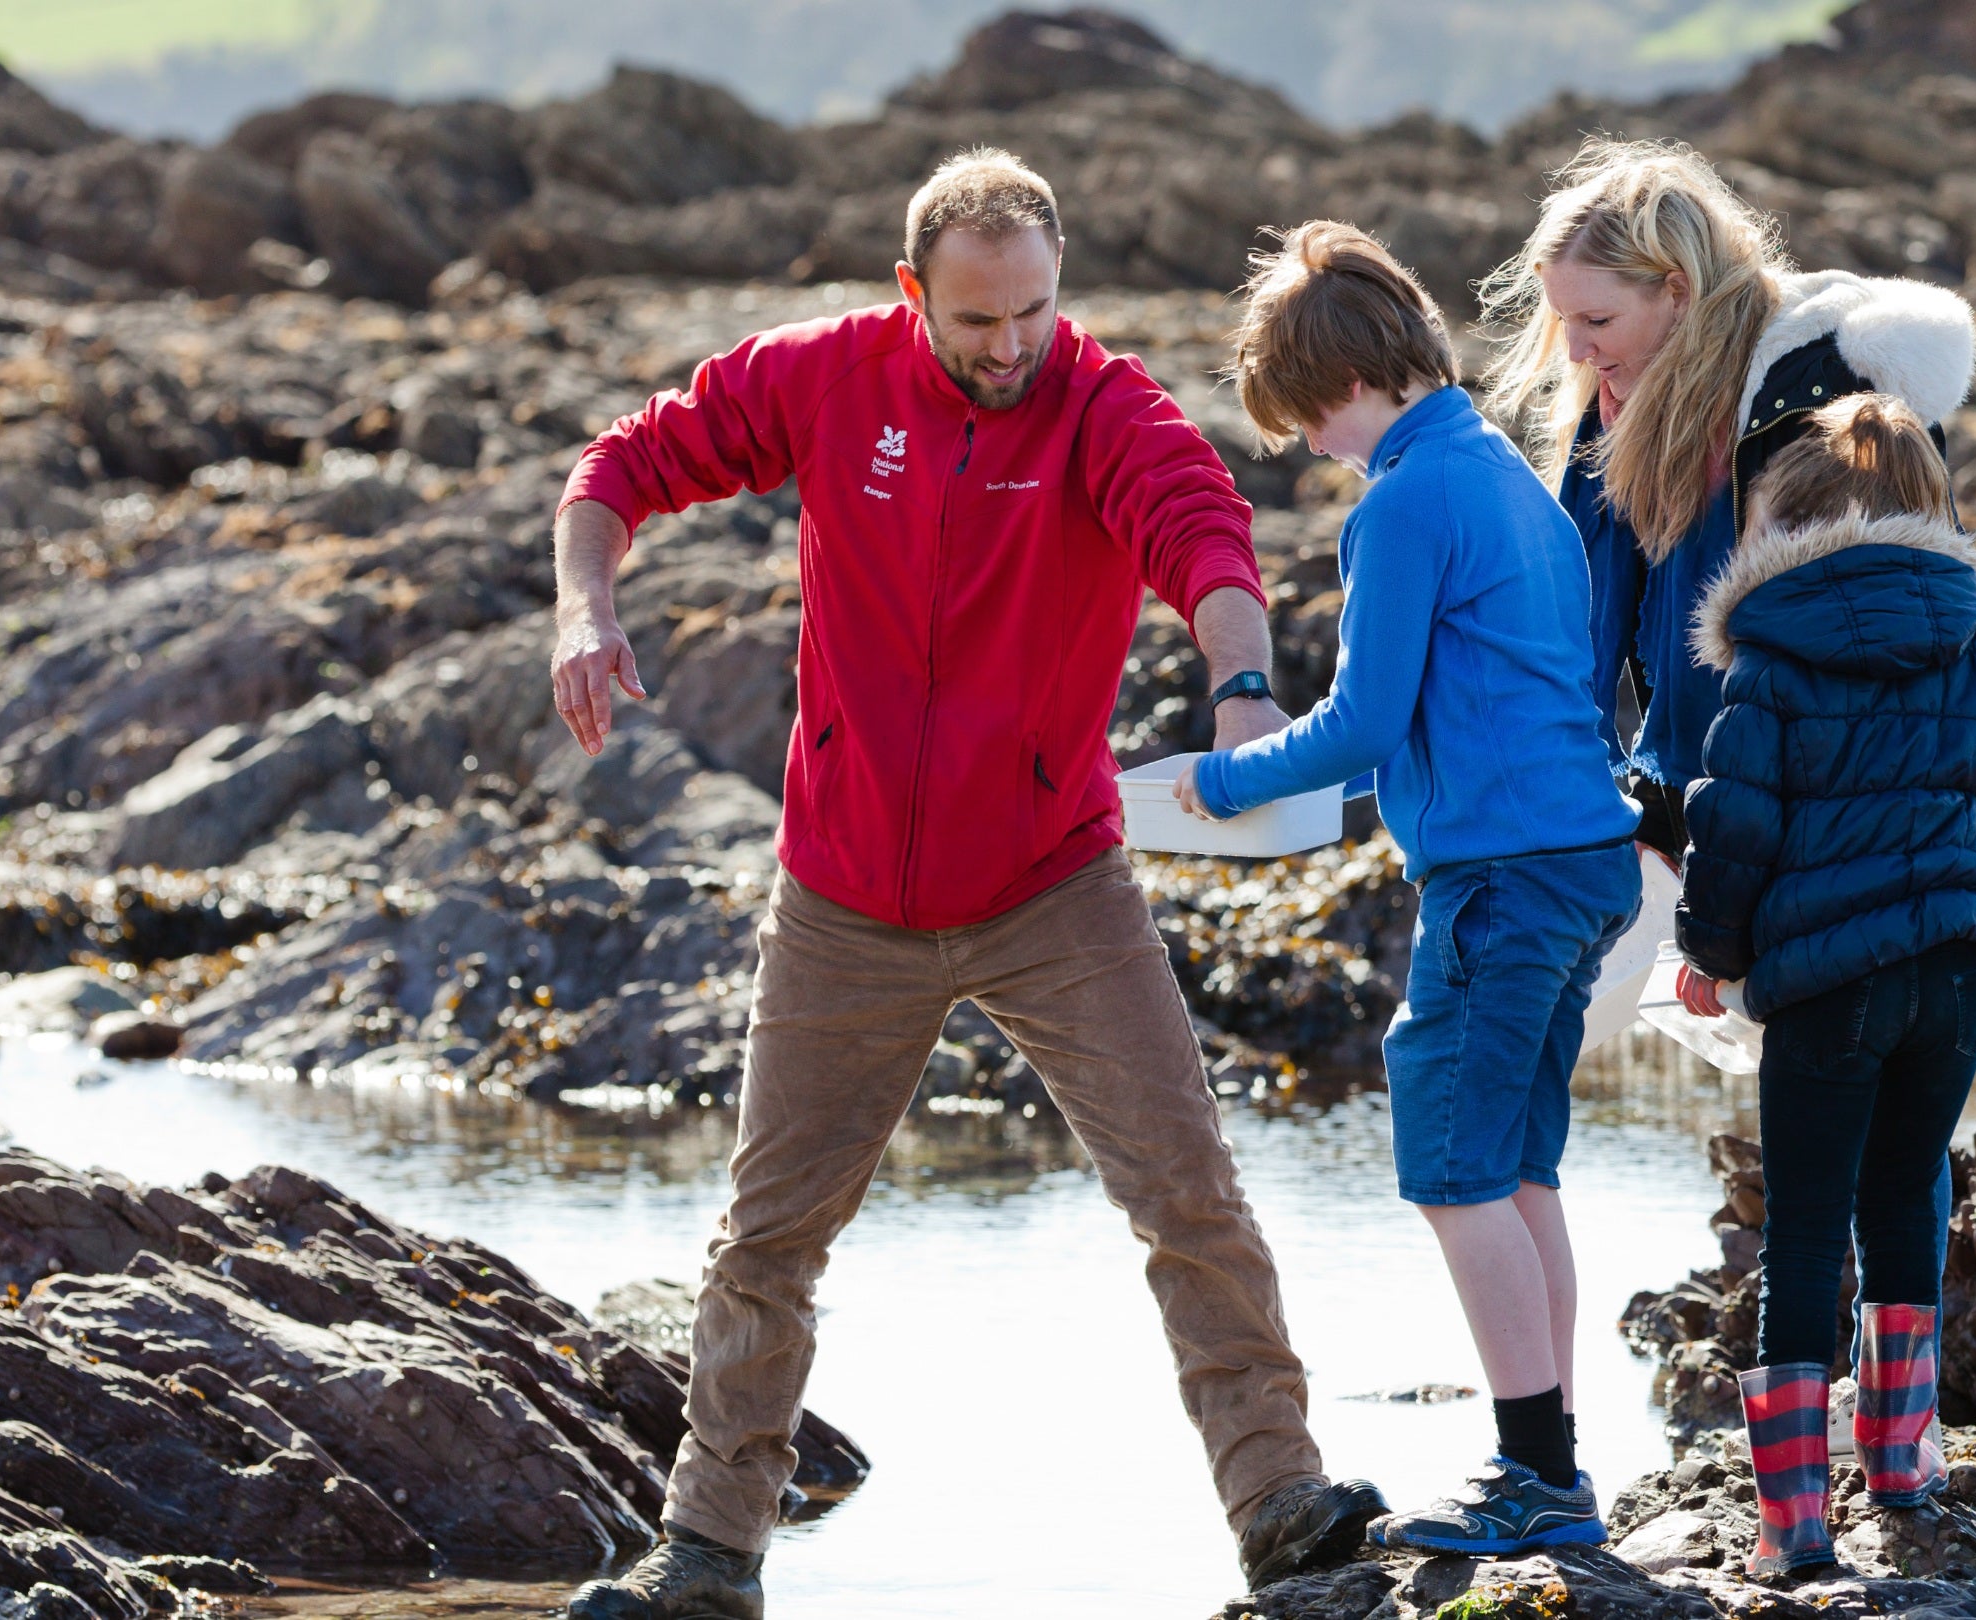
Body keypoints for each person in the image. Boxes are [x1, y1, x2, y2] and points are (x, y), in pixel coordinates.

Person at [547, 150, 1384, 1620]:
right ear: (910, 293)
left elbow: (1201, 530)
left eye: (1034, 317)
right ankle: (711, 1555)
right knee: (770, 1237)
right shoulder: (820, 380)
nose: (1008, 351)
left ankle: (1278, 1504)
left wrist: (1246, 687)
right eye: (977, 322)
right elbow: (618, 466)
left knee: (1186, 1187)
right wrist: (584, 607)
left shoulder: (1101, 406)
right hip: (845, 895)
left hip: (1054, 882)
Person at [1172, 220, 1642, 1555]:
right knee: (1518, 1167)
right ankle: (1553, 1467)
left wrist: (1230, 780)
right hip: (1580, 862)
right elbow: (1470, 715)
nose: (1316, 452)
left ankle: (1538, 1480)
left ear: (1343, 384)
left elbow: (1368, 721)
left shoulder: (1404, 498)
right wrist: (1301, 794)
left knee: (1449, 1172)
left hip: (1501, 882)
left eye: (1305, 423)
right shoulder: (1503, 473)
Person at [1668, 394, 1976, 1578]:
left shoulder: (1772, 656)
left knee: (1802, 1228)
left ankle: (1794, 1524)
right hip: (1949, 973)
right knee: (1904, 1197)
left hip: (1828, 985)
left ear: (1786, 527)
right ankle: (1902, 1462)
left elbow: (1733, 827)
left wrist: (1710, 951)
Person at [1478, 138, 1976, 865]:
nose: (1575, 353)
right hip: (1695, 808)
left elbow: (1914, 629)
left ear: (1677, 292)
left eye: (1597, 321)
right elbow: (1577, 626)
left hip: (1839, 825)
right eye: (1566, 323)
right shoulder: (1611, 403)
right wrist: (1603, 809)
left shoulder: (1830, 394)